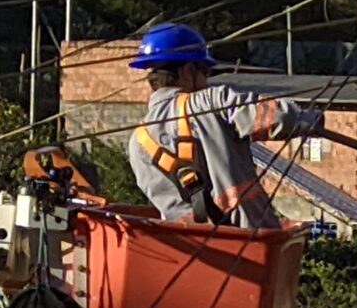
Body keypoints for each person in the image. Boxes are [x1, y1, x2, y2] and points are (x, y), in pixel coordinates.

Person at [123, 23, 323, 229]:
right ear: (187, 71)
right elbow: (279, 117)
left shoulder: (138, 144)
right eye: (205, 72)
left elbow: (174, 213)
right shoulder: (210, 102)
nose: (207, 81)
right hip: (253, 242)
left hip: (198, 253)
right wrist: (310, 120)